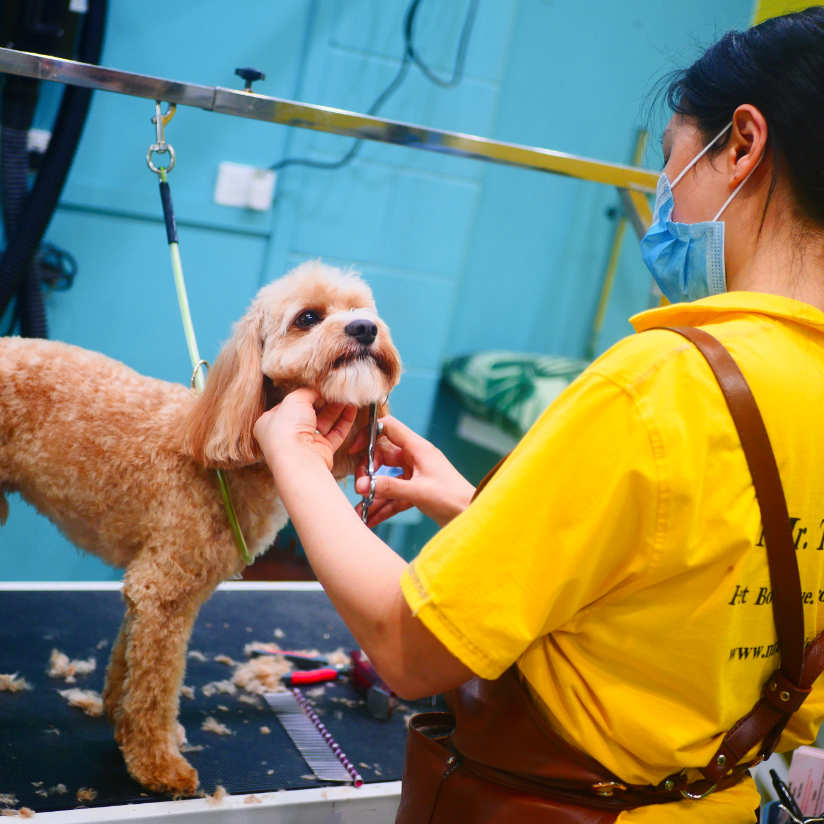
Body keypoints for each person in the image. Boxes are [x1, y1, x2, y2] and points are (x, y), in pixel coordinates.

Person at [253, 8, 824, 822]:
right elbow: (718, 583)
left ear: (742, 144)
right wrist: (476, 509)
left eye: (671, 163)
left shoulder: (662, 384)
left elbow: (408, 645)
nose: (663, 197)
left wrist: (298, 461)